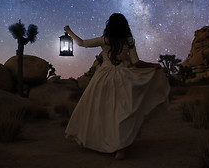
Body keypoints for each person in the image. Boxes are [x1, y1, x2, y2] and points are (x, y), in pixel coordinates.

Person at [64, 13, 170, 160]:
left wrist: (69, 31)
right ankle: (120, 148)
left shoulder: (104, 39)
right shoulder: (129, 40)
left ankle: (104, 141)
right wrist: (153, 65)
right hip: (122, 77)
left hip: (103, 77)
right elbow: (136, 63)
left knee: (101, 110)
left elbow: (82, 43)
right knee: (121, 111)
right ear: (124, 25)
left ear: (110, 25)